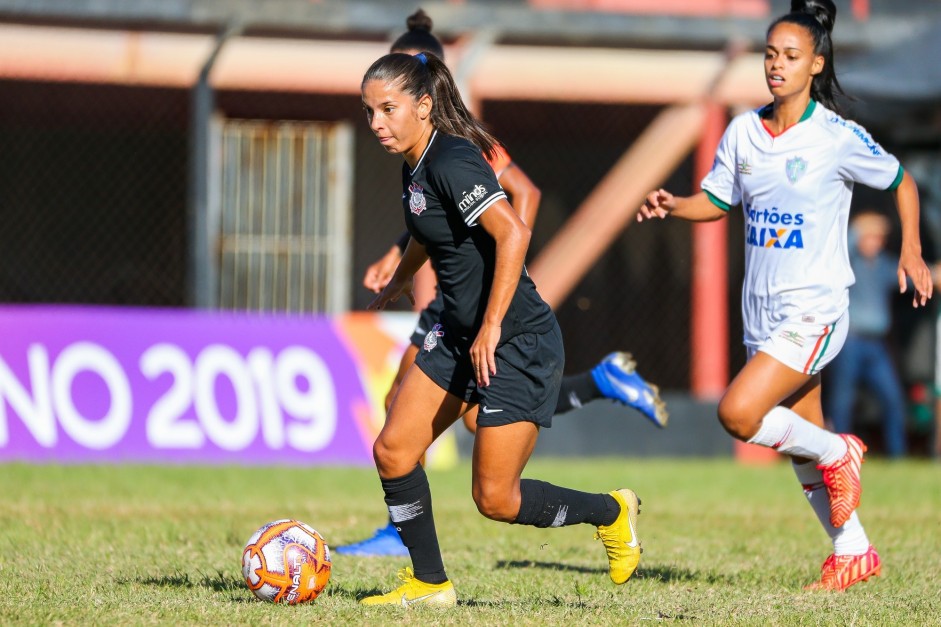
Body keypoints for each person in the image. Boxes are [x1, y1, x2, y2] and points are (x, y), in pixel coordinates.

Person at [337, 9, 665, 558]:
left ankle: (611, 511)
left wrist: (492, 322)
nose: (375, 123)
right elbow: (426, 228)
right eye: (369, 111)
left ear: (422, 104)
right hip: (457, 329)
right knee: (394, 450)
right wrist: (400, 278)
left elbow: (513, 229)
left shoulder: (456, 157)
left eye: (386, 110)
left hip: (514, 339)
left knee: (496, 498)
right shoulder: (413, 162)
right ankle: (427, 582)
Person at [638, 0, 932, 592]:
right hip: (762, 315)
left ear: (815, 65)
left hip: (816, 307)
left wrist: (911, 250)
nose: (776, 65)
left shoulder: (835, 136)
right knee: (802, 448)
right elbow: (717, 202)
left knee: (739, 414)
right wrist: (675, 206)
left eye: (790, 57)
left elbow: (899, 179)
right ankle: (853, 551)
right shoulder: (744, 130)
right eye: (770, 54)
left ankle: (841, 451)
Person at [826, 211, 908, 458]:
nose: (875, 243)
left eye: (879, 238)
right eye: (869, 237)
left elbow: (912, 276)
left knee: (893, 399)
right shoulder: (849, 262)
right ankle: (839, 457)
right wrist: (857, 230)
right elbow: (842, 242)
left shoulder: (884, 265)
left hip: (876, 346)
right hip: (850, 341)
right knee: (842, 402)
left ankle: (898, 456)